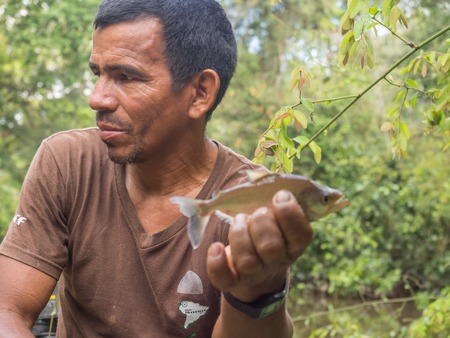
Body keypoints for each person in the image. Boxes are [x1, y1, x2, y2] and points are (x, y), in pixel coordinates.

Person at [0, 0, 313, 337]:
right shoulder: (68, 162)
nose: (97, 98)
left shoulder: (247, 200)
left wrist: (259, 292)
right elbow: (8, 310)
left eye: (125, 76)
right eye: (98, 73)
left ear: (199, 94)